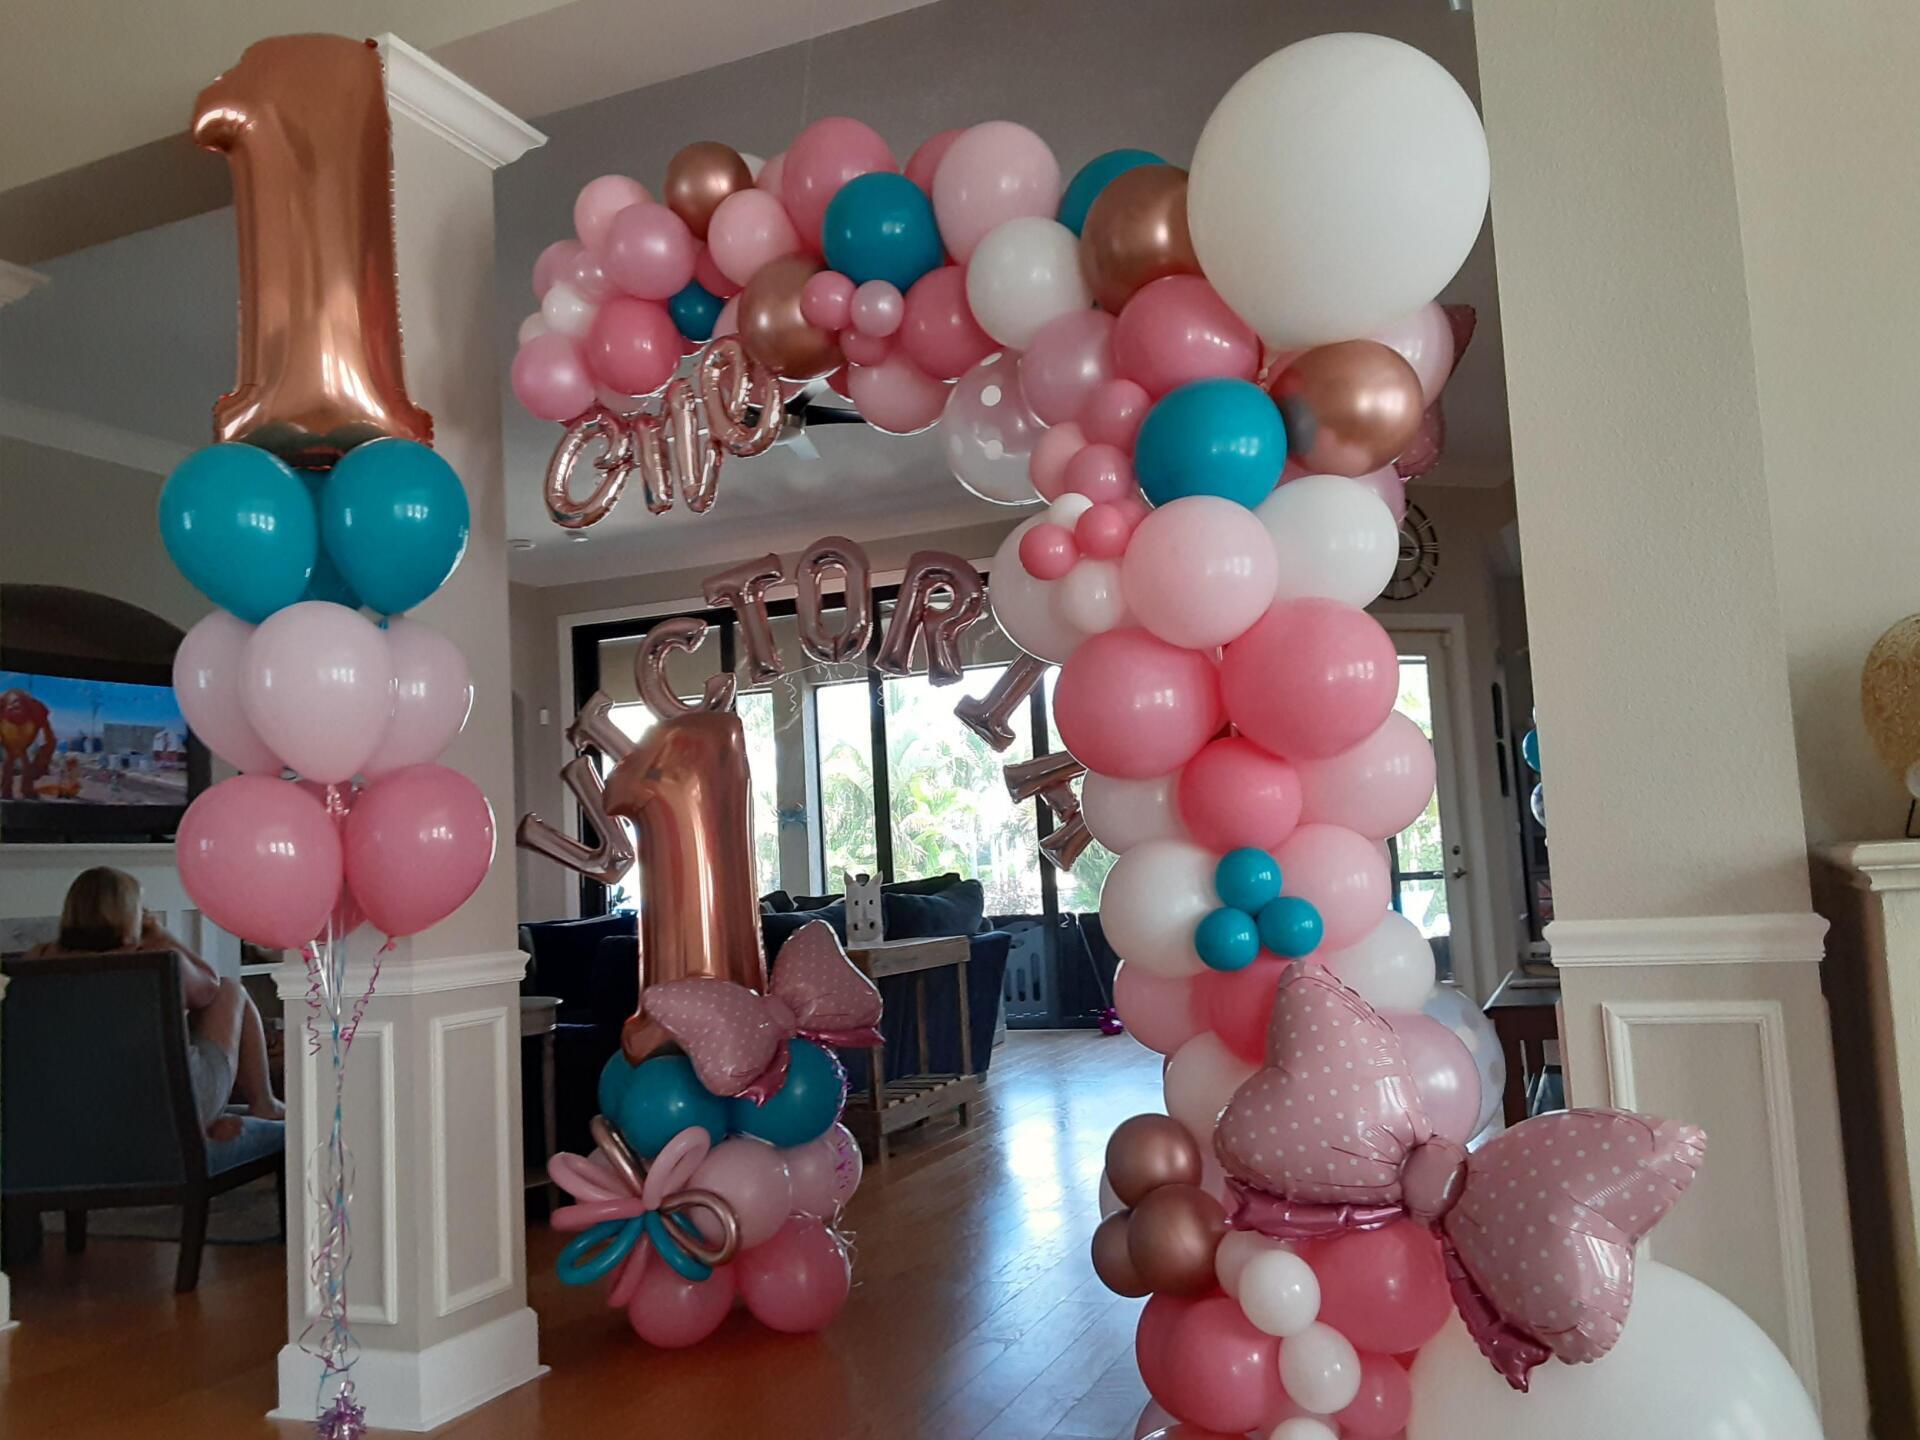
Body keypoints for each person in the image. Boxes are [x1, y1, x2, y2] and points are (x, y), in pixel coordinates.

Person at [27, 866, 284, 1141]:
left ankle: (212, 1122)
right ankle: (263, 1103)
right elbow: (211, 988)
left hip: (82, 1103)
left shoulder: (39, 960)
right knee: (231, 990)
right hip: (170, 1103)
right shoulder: (152, 959)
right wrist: (162, 936)